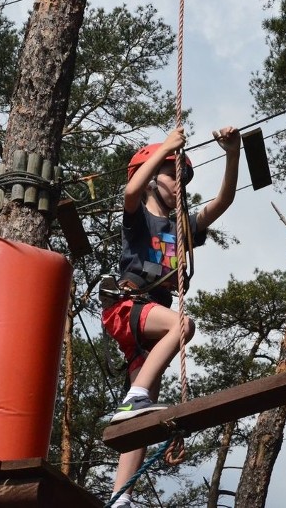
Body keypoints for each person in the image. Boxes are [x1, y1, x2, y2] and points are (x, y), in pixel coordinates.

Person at [102, 125, 240, 508]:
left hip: (149, 317)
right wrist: (166, 147)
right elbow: (130, 191)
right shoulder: (138, 218)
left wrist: (233, 153)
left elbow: (223, 201)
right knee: (183, 324)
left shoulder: (182, 227)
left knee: (138, 426)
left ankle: (120, 496)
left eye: (184, 177)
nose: (180, 184)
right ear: (151, 178)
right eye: (172, 174)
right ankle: (135, 395)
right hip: (129, 306)